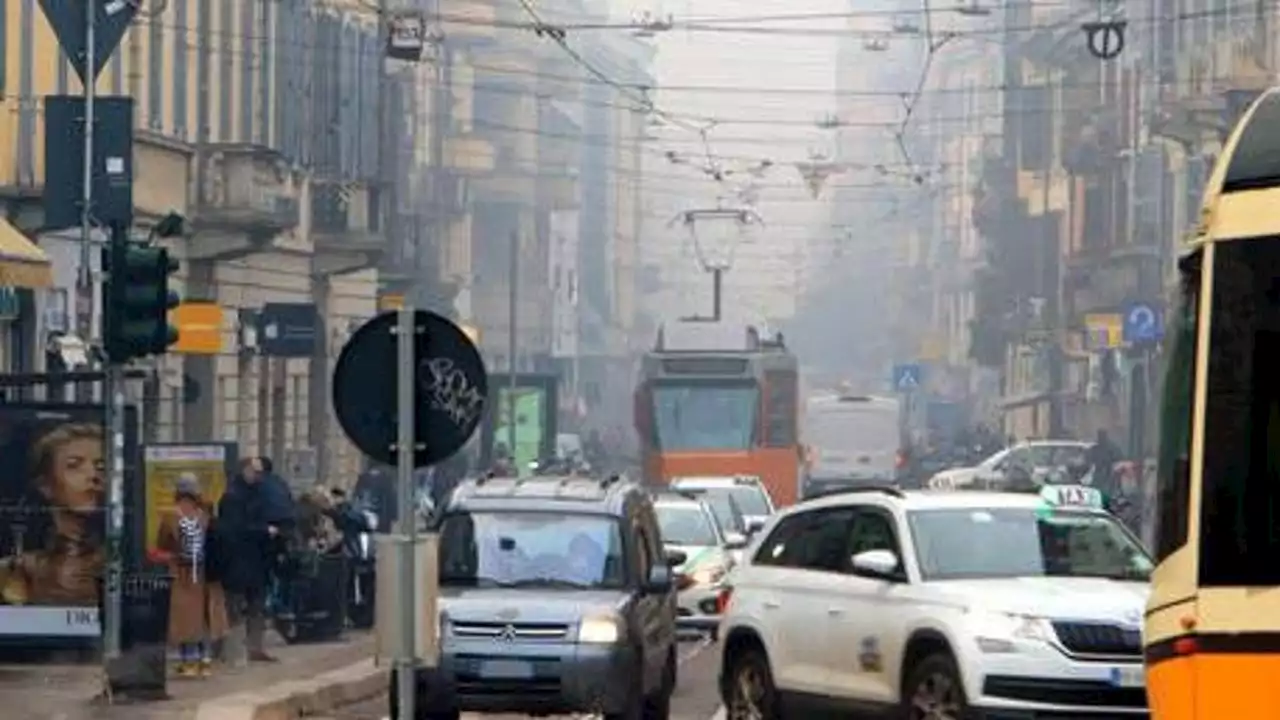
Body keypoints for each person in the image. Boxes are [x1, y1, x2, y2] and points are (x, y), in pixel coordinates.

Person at [0, 423, 105, 606]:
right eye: (74, 466)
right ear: (45, 485)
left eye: (102, 466)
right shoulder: (16, 569)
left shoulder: (123, 564)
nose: (93, 475)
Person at [216, 457, 293, 663]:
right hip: (237, 560)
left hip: (258, 559)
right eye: (254, 471)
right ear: (244, 471)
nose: (259, 476)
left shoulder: (259, 494)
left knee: (256, 604)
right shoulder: (232, 497)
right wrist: (264, 530)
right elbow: (234, 529)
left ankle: (254, 647)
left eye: (260, 472)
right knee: (235, 605)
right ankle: (230, 649)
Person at [154, 474, 229, 678]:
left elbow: (162, 546)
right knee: (205, 617)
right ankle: (205, 660)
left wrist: (167, 556)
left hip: (182, 574)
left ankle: (189, 661)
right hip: (206, 573)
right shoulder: (205, 515)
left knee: (185, 618)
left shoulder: (171, 518)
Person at [1088, 430, 1123, 496]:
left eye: (1102, 435)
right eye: (1100, 436)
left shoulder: (1112, 448)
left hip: (1108, 473)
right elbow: (1090, 460)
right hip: (1099, 472)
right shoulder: (1095, 448)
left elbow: (1117, 459)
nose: (1100, 438)